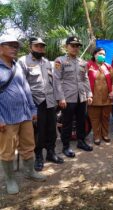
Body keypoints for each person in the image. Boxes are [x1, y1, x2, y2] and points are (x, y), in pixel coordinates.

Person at [0, 35, 46, 195]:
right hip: (7, 118)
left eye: (16, 46)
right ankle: (10, 180)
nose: (15, 48)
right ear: (0, 48)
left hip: (25, 115)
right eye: (10, 45)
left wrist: (33, 110)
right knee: (7, 150)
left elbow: (26, 88)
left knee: (28, 146)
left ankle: (30, 171)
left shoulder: (18, 66)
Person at [18, 37, 64, 171]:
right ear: (30, 47)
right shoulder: (23, 61)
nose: (40, 49)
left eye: (42, 46)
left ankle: (51, 153)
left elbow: (53, 81)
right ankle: (38, 156)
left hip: (50, 102)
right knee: (38, 131)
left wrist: (58, 98)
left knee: (51, 129)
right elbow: (22, 84)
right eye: (37, 46)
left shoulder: (46, 62)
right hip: (35, 102)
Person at [53, 36, 93, 157]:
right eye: (73, 45)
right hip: (68, 98)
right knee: (67, 122)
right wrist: (61, 97)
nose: (75, 48)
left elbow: (85, 79)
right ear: (67, 46)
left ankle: (81, 141)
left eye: (77, 46)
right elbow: (57, 80)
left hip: (81, 97)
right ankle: (66, 146)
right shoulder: (59, 61)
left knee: (81, 120)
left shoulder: (82, 63)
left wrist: (89, 94)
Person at [87, 47, 113, 145]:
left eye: (103, 54)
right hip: (93, 98)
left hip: (107, 98)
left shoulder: (108, 67)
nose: (102, 56)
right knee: (95, 119)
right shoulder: (89, 66)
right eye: (100, 53)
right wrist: (88, 95)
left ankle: (105, 135)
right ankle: (96, 136)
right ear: (94, 54)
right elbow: (83, 81)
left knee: (106, 117)